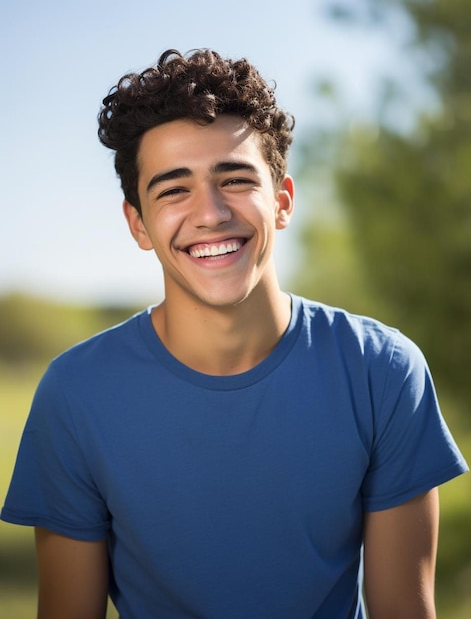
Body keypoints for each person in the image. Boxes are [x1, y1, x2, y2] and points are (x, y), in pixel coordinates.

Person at [1, 48, 468, 619]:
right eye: (174, 189)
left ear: (282, 202)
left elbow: (404, 609)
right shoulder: (75, 394)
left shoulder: (382, 371)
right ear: (138, 224)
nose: (211, 213)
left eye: (235, 178)